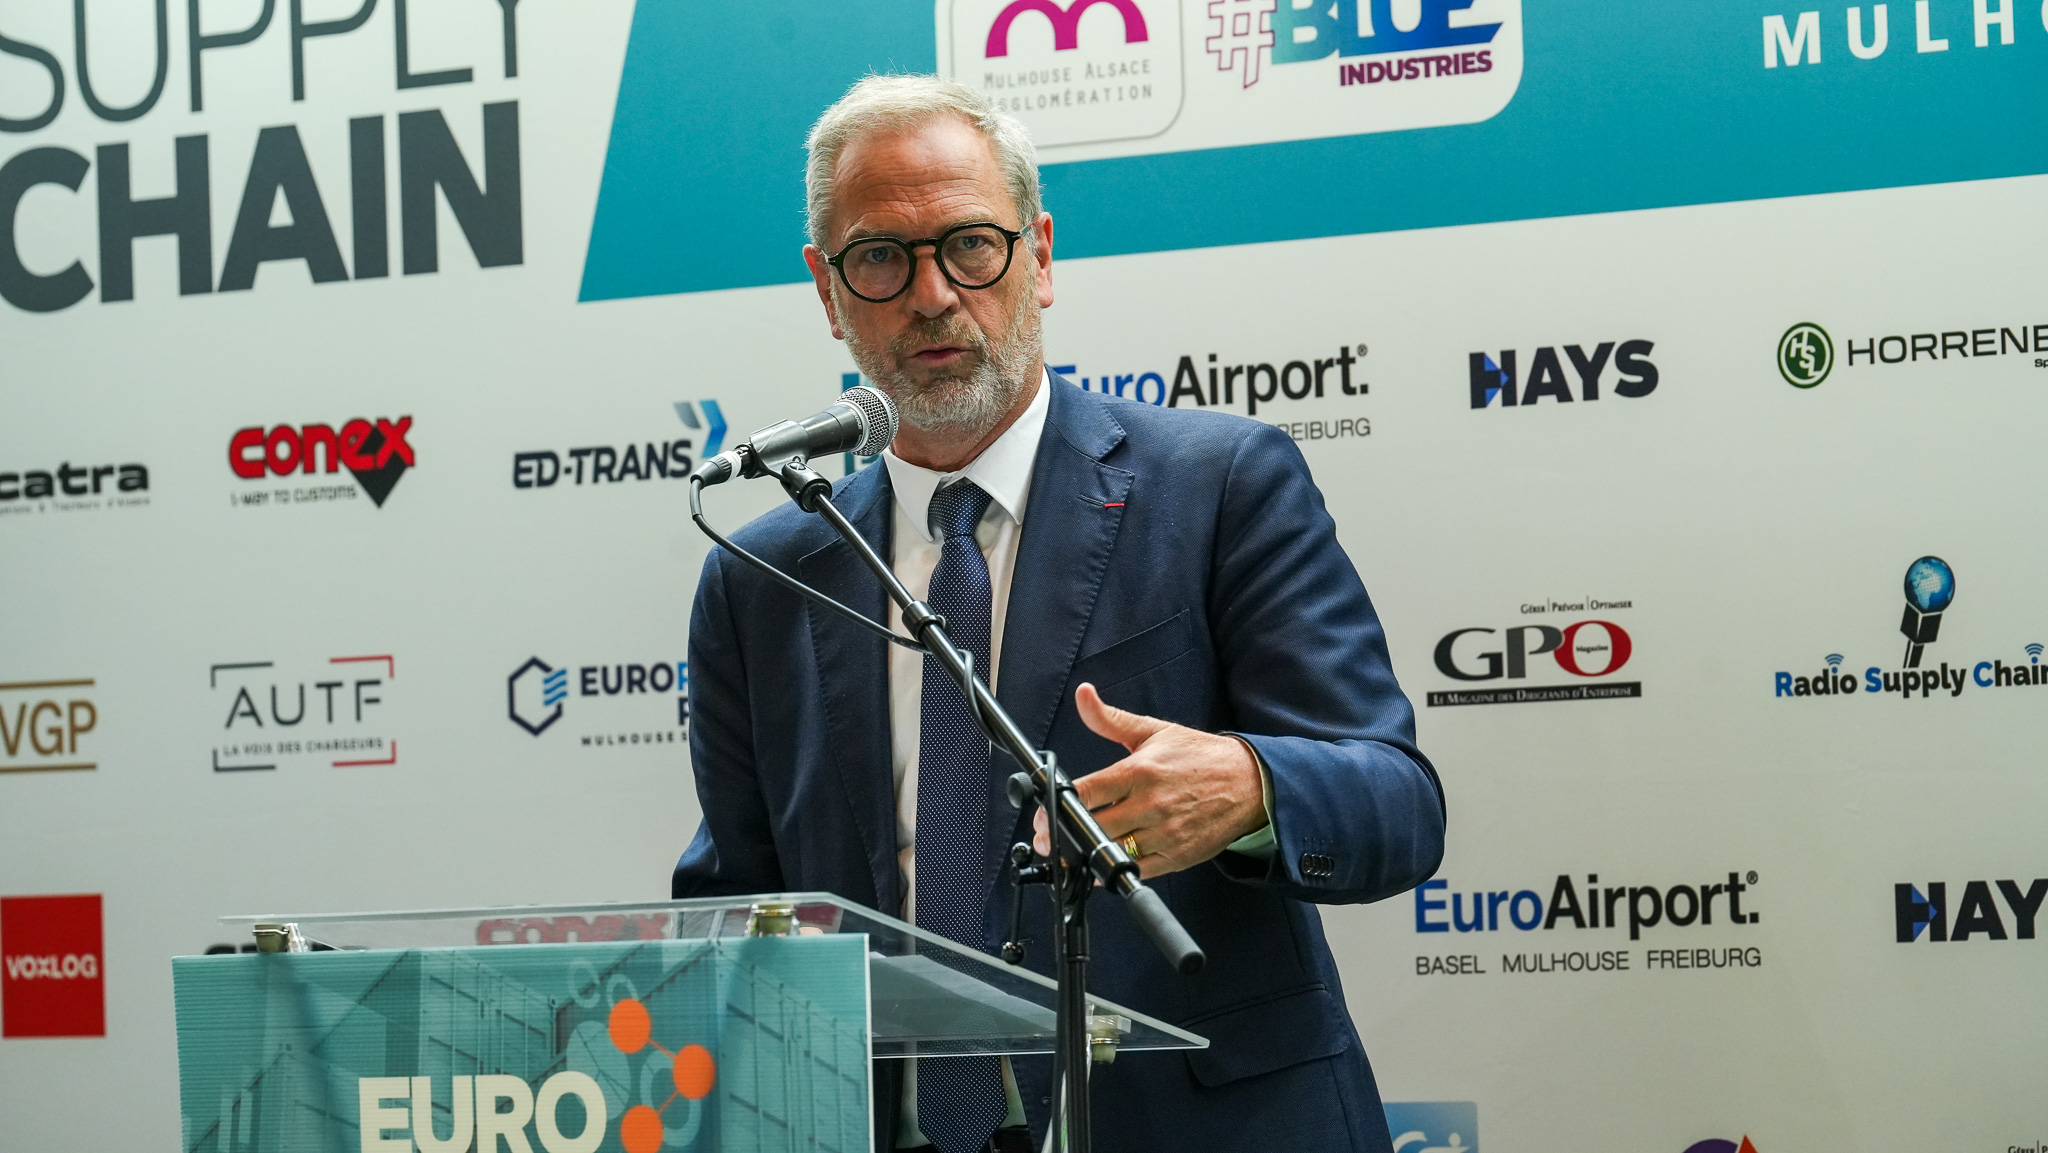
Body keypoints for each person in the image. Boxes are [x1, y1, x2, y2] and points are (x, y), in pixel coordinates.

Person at [674, 75, 1445, 1153]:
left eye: (970, 246)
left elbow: (1397, 804)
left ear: (1038, 257)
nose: (932, 295)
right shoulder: (763, 577)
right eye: (881, 257)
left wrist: (1250, 787)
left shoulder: (1218, 486)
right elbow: (736, 902)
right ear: (827, 289)